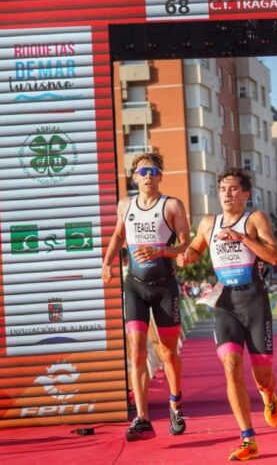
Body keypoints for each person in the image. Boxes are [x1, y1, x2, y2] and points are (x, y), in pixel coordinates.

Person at [176, 168, 277, 461]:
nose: (227, 194)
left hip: (254, 301)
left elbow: (274, 256)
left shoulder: (255, 219)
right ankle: (248, 438)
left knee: (262, 377)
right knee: (231, 367)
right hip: (225, 302)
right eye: (223, 188)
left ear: (245, 194)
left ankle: (268, 395)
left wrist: (240, 237)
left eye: (234, 189)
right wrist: (186, 257)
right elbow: (196, 250)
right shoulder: (208, 222)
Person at [101, 152, 192, 442]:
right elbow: (118, 235)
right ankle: (142, 418)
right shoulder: (125, 205)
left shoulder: (172, 205)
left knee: (167, 352)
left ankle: (175, 404)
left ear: (161, 176)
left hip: (164, 286)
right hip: (135, 286)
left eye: (153, 171)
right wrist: (106, 262)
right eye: (142, 172)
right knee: (137, 350)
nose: (148, 176)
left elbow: (185, 245)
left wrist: (162, 251)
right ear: (134, 177)